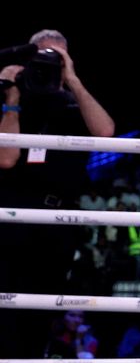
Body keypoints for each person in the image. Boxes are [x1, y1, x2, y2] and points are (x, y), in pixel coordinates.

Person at [0, 29, 115, 358]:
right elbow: (5, 158)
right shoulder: (11, 99)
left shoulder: (75, 105)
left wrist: (73, 79)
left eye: (57, 58)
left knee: (44, 307)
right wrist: (11, 99)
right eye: (42, 56)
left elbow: (106, 132)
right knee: (5, 307)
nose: (48, 64)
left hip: (58, 221)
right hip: (11, 217)